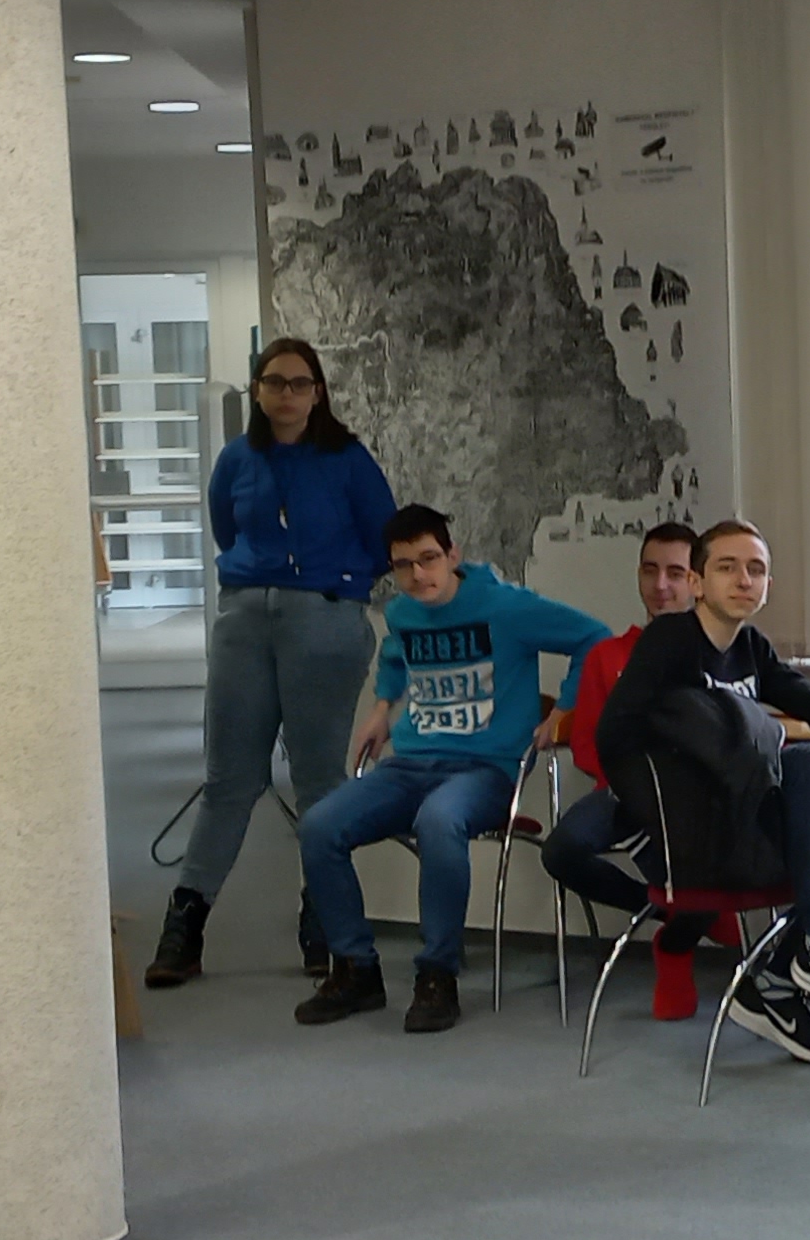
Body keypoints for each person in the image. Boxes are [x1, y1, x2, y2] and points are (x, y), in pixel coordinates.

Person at [296, 506, 616, 1032]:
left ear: (452, 555)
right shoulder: (403, 612)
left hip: (486, 771)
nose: (418, 575)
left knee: (439, 819)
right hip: (410, 765)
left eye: (428, 559)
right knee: (318, 826)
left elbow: (595, 637)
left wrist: (564, 709)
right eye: (404, 565)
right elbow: (395, 655)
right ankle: (355, 969)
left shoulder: (505, 607)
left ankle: (437, 975)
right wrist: (382, 707)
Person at [593, 520, 810, 1066]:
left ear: (768, 586)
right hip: (693, 838)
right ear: (697, 582)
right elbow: (614, 738)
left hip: (743, 819)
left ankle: (782, 978)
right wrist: (655, 821)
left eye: (756, 570)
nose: (743, 580)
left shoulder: (750, 647)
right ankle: (805, 961)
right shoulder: (671, 641)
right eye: (727, 567)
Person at [147, 337, 395, 991]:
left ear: (318, 393)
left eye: (299, 383)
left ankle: (324, 921)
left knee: (317, 780)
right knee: (229, 779)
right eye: (274, 382)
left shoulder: (347, 458)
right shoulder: (237, 459)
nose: (287, 394)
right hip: (245, 621)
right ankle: (186, 922)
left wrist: (336, 583)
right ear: (257, 391)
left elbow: (384, 537)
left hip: (323, 619)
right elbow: (226, 529)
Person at [534, 521, 700, 938]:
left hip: (694, 797)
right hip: (622, 792)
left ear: (696, 581)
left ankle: (698, 911)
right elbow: (586, 742)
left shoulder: (715, 652)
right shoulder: (606, 656)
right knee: (560, 851)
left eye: (675, 573)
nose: (660, 585)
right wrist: (633, 780)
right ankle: (665, 910)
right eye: (650, 570)